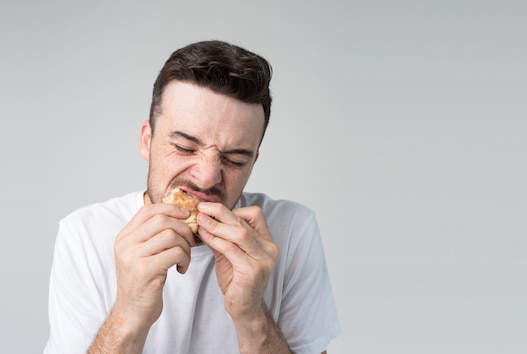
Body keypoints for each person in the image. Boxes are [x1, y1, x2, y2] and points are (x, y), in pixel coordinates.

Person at [45, 40, 341, 354]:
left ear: (253, 162)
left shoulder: (291, 230)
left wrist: (252, 314)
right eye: (185, 148)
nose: (207, 177)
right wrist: (128, 315)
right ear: (147, 141)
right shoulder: (84, 234)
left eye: (235, 160)